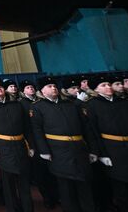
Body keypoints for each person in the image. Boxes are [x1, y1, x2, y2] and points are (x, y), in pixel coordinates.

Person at [30, 76, 98, 212]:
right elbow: (37, 131)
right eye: (49, 86)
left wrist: (93, 149)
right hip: (57, 151)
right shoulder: (38, 107)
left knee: (85, 187)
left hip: (79, 149)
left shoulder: (71, 104)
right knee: (66, 188)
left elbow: (86, 128)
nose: (53, 88)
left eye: (54, 86)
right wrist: (44, 151)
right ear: (42, 91)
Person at [86, 75, 128, 212]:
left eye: (109, 84)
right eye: (103, 85)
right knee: (120, 185)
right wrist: (101, 154)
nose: (108, 87)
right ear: (96, 89)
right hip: (111, 149)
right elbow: (93, 132)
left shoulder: (125, 102)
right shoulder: (92, 105)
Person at [0, 78, 35, 212]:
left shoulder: (17, 104)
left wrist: (31, 145)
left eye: (0, 87)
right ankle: (12, 208)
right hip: (2, 147)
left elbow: (27, 127)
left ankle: (28, 208)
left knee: (24, 181)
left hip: (20, 145)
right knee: (8, 182)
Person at [19, 79, 58, 209]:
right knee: (40, 172)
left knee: (53, 171)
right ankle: (47, 197)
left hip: (48, 139)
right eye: (27, 87)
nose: (30, 89)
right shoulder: (21, 104)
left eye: (32, 87)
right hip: (33, 140)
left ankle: (56, 195)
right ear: (23, 91)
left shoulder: (42, 102)